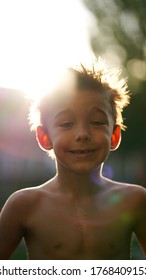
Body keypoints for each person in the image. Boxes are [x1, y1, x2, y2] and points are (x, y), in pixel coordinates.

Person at [0, 58, 146, 260]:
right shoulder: (24, 206)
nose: (82, 134)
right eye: (66, 124)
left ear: (114, 136)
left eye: (96, 122)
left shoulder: (135, 201)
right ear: (45, 137)